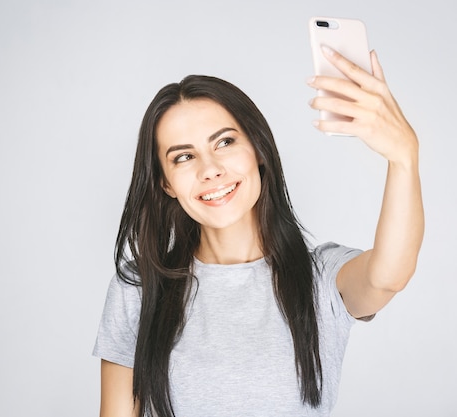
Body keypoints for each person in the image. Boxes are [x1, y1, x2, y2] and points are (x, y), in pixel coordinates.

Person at [92, 45, 424, 417]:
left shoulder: (321, 278)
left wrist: (404, 158)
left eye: (225, 142)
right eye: (183, 157)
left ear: (258, 151)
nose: (210, 169)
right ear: (166, 183)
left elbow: (387, 278)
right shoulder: (139, 287)